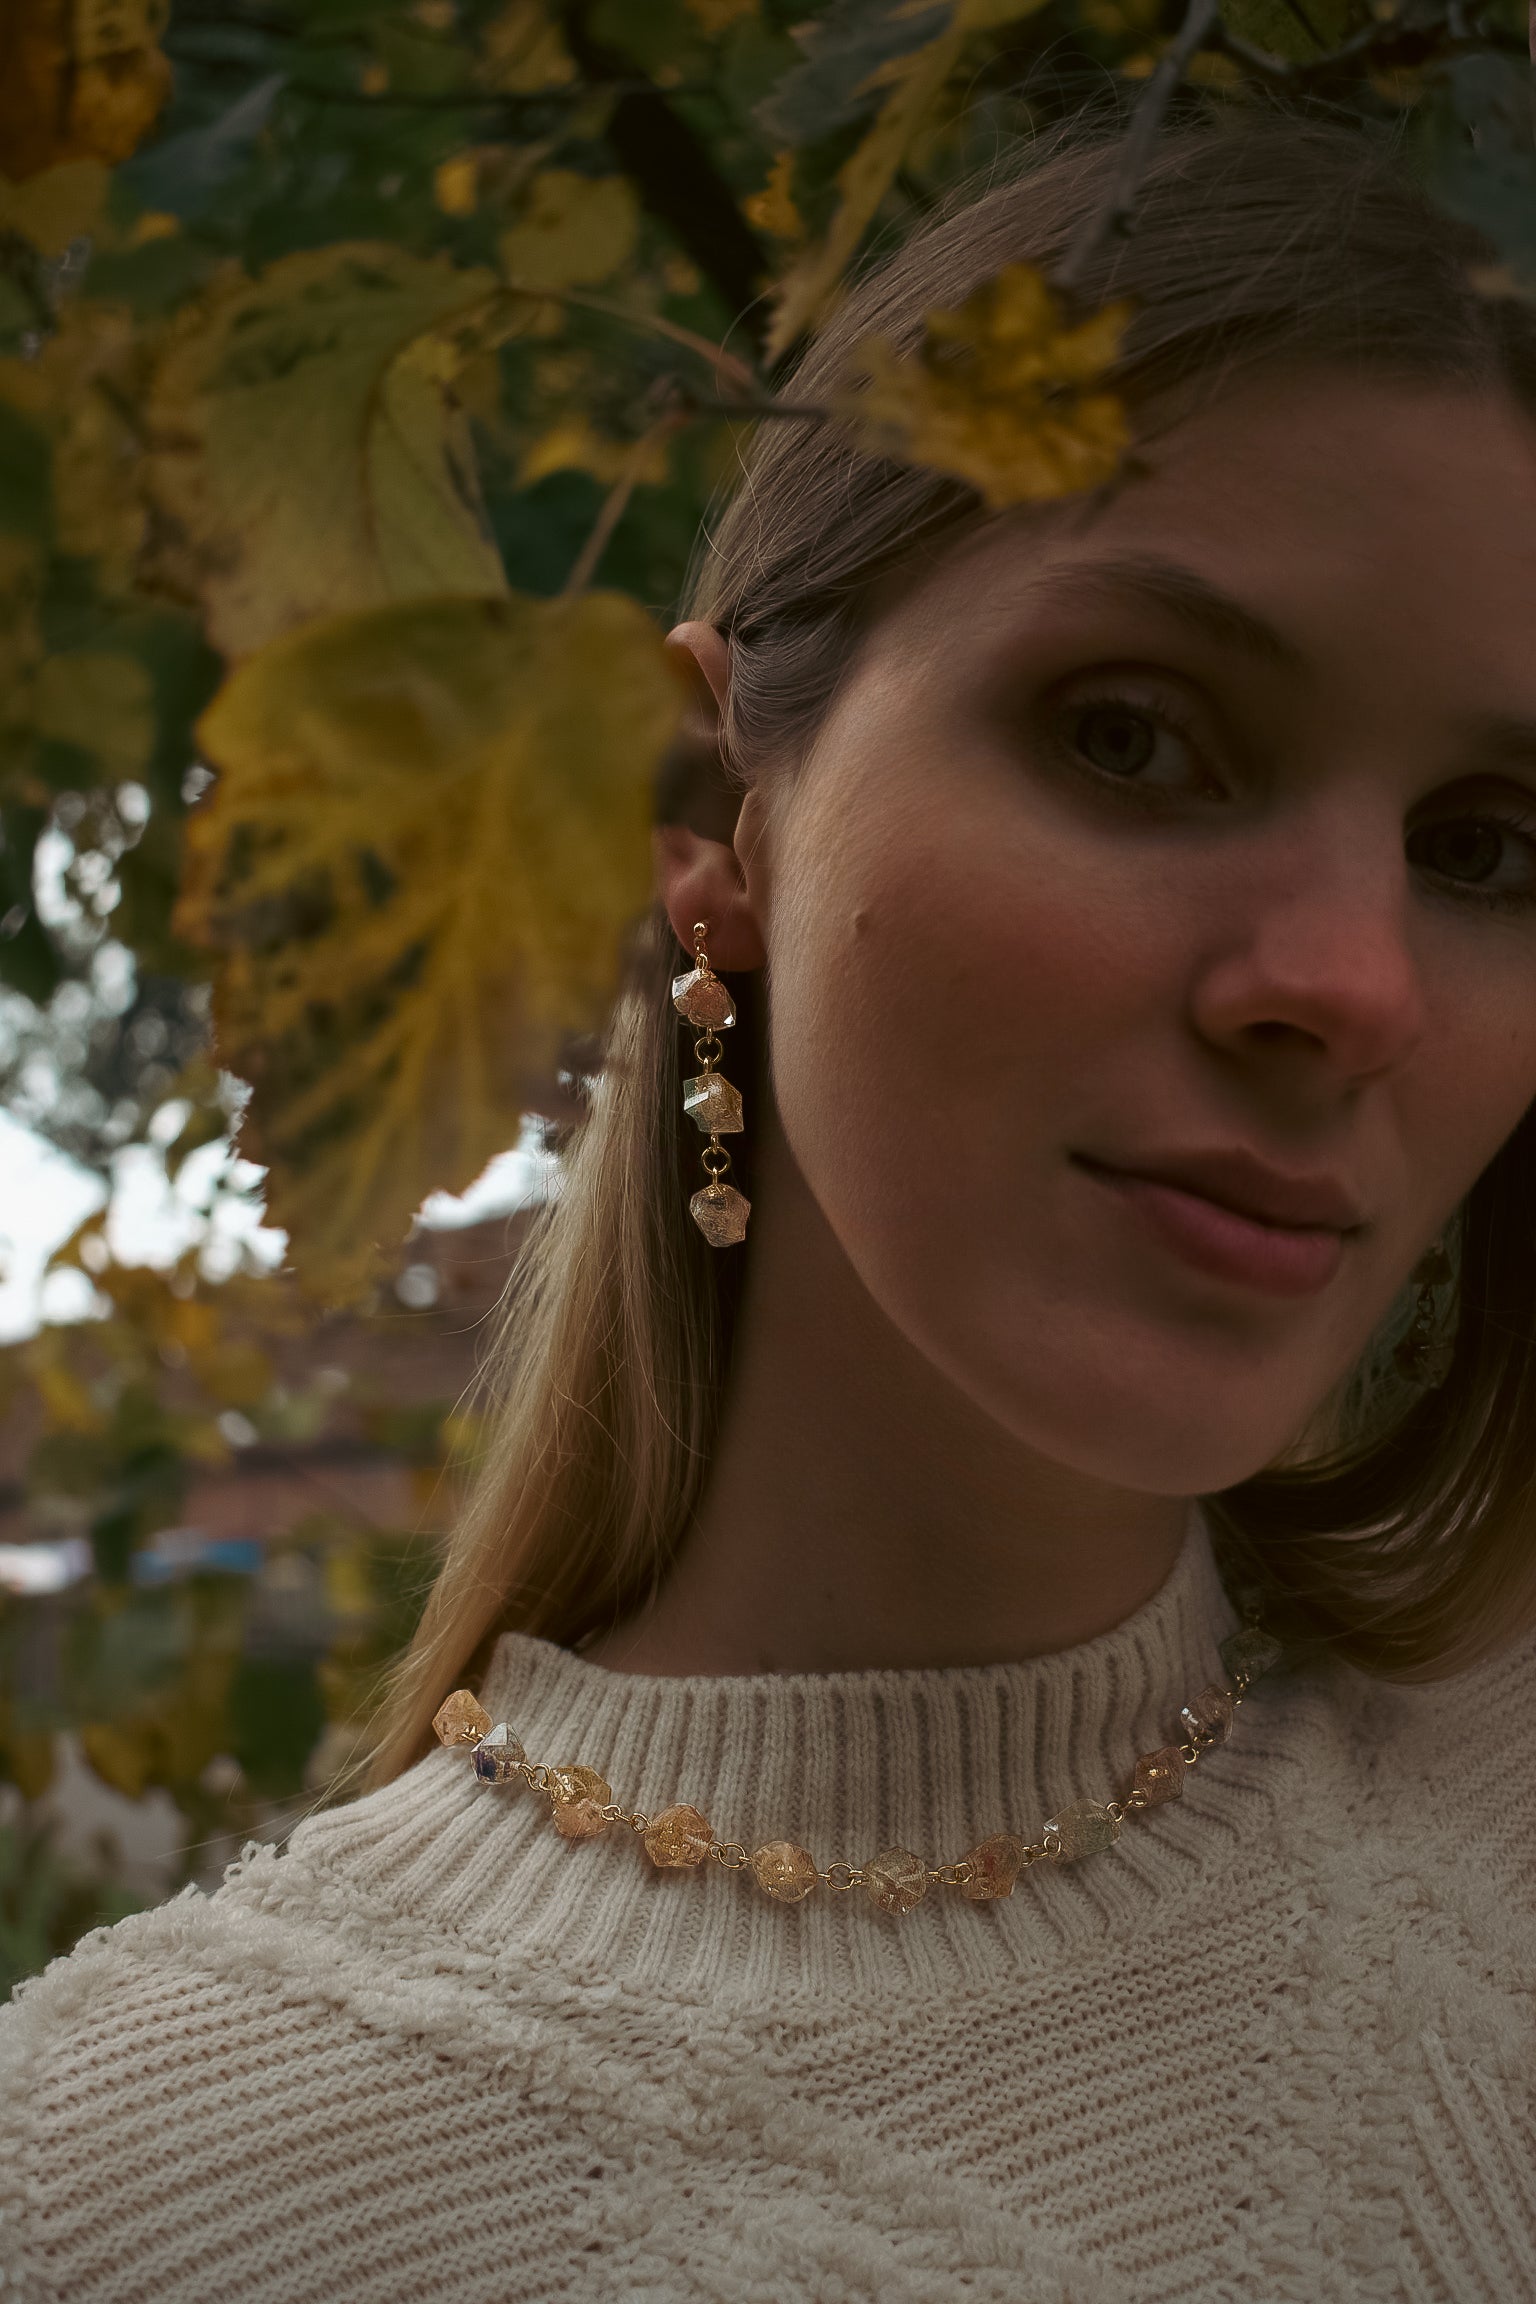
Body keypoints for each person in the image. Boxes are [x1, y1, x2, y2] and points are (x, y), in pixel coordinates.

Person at [7, 109, 1536, 2304]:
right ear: (712, 807)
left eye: (1487, 847)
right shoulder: (121, 2186)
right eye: (1135, 735)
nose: (1350, 983)